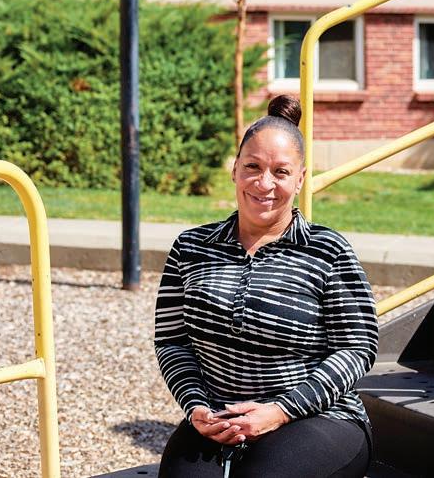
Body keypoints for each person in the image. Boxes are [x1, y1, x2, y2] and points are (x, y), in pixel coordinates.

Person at [154, 95, 379, 477]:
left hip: (319, 418)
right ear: (234, 169)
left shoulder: (328, 250)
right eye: (253, 167)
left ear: (300, 179)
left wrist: (281, 410)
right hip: (219, 417)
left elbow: (357, 348)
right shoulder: (190, 248)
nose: (264, 183)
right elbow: (172, 341)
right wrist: (195, 406)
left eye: (281, 172)